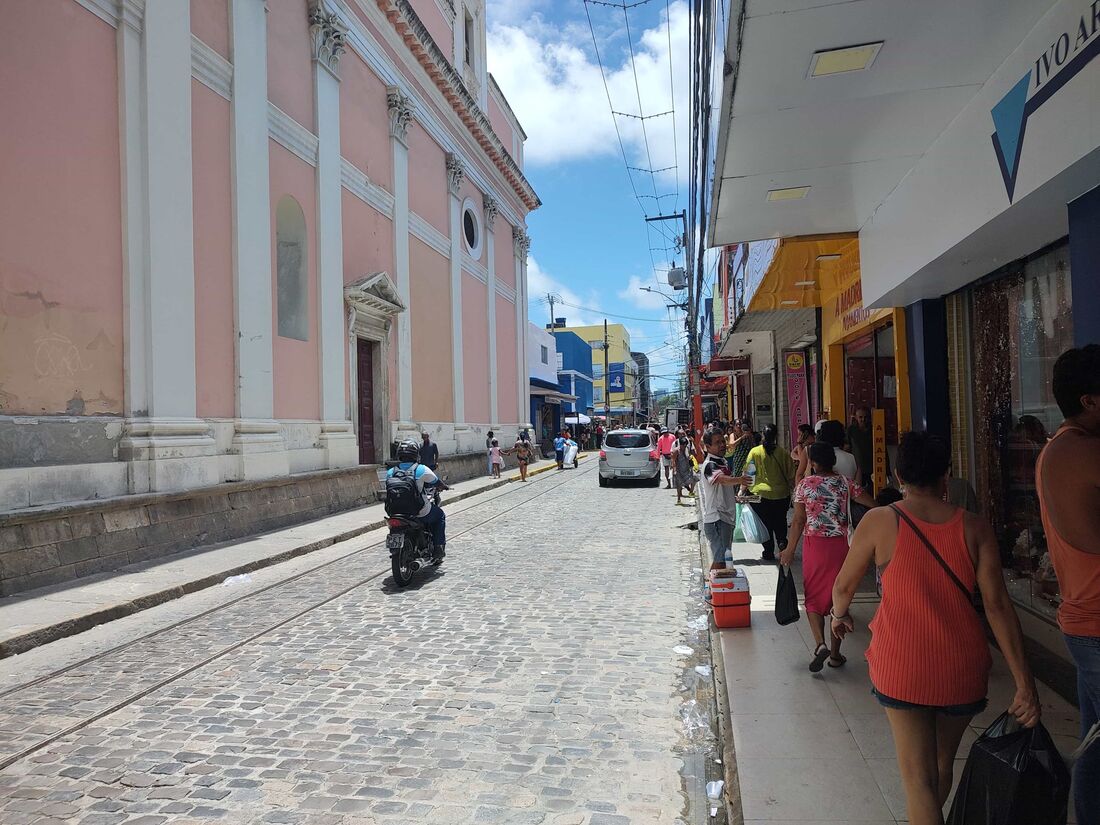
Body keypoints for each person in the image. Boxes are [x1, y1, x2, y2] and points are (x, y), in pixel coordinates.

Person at [831, 431, 1040, 825]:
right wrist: (1024, 682)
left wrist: (839, 615)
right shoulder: (975, 528)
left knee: (918, 782)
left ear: (897, 476)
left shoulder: (880, 520)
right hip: (962, 668)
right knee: (942, 768)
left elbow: (842, 587)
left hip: (903, 666)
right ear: (947, 475)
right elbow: (997, 606)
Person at [1036, 344, 1100, 824]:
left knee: (1095, 744)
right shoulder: (1078, 451)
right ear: (1090, 401)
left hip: (1085, 618)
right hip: (1095, 619)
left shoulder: (1062, 449)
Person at [780, 442, 876, 671]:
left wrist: (790, 550)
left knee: (813, 598)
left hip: (815, 547)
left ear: (812, 463)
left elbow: (799, 521)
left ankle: (820, 644)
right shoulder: (845, 483)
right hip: (841, 547)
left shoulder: (804, 486)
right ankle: (835, 655)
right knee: (838, 598)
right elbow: (872, 505)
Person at [386, 440, 448, 561]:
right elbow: (437, 482)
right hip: (418, 512)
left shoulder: (390, 472)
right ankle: (438, 548)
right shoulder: (421, 469)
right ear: (416, 454)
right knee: (440, 515)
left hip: (395, 513)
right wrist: (444, 486)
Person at [700, 430, 750, 571]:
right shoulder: (710, 465)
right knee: (721, 559)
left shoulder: (721, 462)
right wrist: (740, 479)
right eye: (717, 443)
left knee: (723, 558)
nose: (722, 445)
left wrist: (733, 498)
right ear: (708, 447)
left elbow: (721, 489)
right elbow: (721, 479)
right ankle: (711, 591)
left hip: (725, 518)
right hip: (717, 519)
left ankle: (714, 591)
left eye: (723, 441)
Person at [744, 424, 796, 561]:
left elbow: (748, 473)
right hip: (781, 494)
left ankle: (768, 551)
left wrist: (742, 490)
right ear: (776, 436)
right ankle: (782, 542)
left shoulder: (754, 452)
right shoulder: (783, 453)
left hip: (760, 495)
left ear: (762, 435)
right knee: (780, 520)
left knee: (765, 523)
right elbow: (791, 474)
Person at [848, 406, 874, 492]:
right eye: (860, 417)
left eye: (865, 417)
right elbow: (847, 447)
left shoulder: (874, 430)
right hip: (857, 467)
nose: (863, 420)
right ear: (856, 417)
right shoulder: (851, 430)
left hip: (872, 467)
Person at [673, 437, 696, 505]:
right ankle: (679, 499)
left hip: (687, 468)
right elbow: (673, 461)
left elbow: (690, 456)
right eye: (683, 445)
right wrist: (674, 470)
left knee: (695, 477)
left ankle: (691, 492)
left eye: (685, 445)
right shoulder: (676, 451)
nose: (684, 446)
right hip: (679, 469)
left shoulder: (687, 449)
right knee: (679, 485)